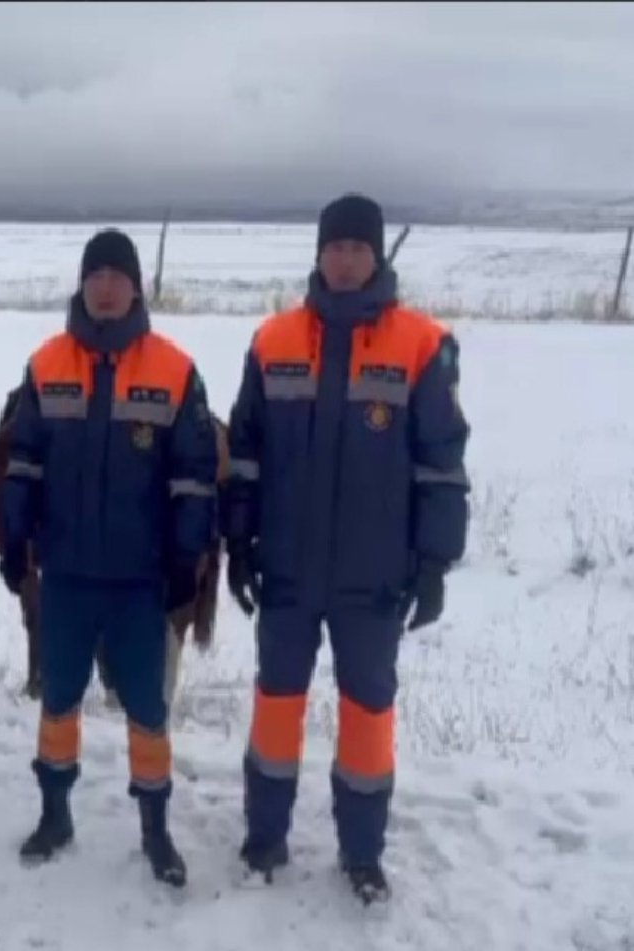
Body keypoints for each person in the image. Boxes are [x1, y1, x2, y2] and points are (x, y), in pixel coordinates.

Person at [222, 193, 470, 904]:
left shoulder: (421, 345)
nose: (345, 259)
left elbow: (441, 463)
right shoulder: (273, 342)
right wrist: (238, 542)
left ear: (378, 255)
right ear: (320, 252)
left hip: (374, 580)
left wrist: (433, 562)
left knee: (367, 718)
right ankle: (264, 838)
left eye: (358, 248)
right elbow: (245, 454)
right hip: (290, 573)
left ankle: (362, 853)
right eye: (335, 247)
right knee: (276, 708)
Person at [0, 228, 218, 887]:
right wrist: (14, 542)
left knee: (148, 709)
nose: (104, 286)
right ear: (83, 282)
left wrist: (187, 558)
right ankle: (55, 816)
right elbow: (21, 463)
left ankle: (155, 830)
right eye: (95, 273)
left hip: (138, 581)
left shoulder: (174, 369)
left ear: (135, 286)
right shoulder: (46, 364)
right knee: (59, 701)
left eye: (116, 275)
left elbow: (195, 476)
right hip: (66, 576)